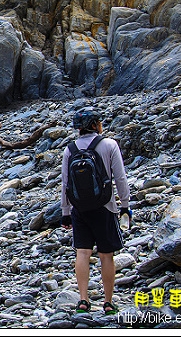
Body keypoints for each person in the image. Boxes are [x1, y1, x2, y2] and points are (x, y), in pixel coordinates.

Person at [60, 107, 131, 316]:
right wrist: (125, 205)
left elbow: (65, 183)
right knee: (106, 255)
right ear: (94, 124)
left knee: (82, 252)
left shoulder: (69, 149)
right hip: (105, 206)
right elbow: (120, 178)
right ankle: (108, 303)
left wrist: (65, 212)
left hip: (79, 208)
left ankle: (83, 300)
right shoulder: (109, 145)